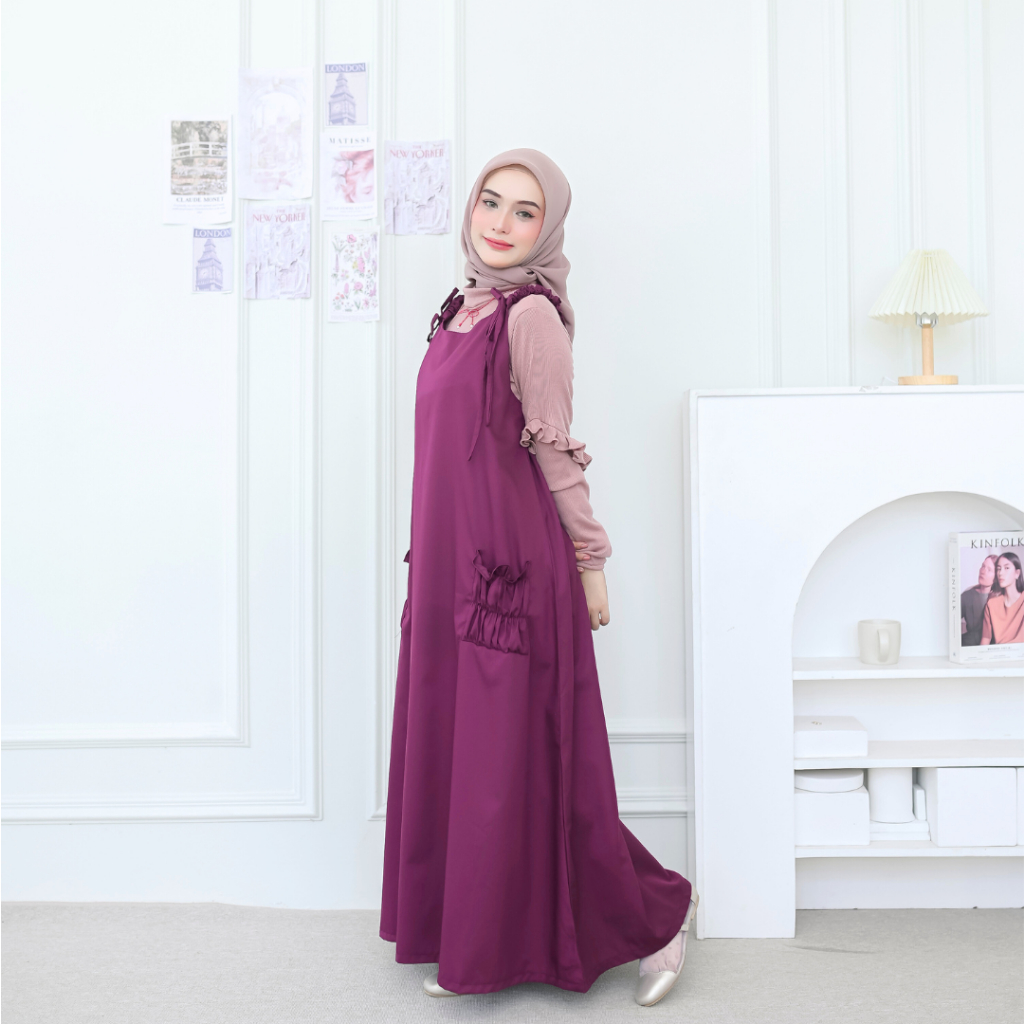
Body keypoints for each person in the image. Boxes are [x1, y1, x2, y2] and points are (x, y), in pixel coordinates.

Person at [379, 150, 696, 1008]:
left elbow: (556, 455)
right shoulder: (461, 307)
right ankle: (474, 941)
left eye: (525, 212)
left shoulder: (531, 318)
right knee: (468, 760)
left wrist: (591, 562)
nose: (501, 223)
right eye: (491, 202)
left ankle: (658, 918)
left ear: (547, 228)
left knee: (520, 771)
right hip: (449, 570)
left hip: (511, 576)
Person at [980, 551, 1024, 646]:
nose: (1000, 573)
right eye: (998, 569)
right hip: (999, 652)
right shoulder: (991, 604)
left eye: (1006, 568)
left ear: (1017, 573)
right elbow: (986, 638)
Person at [961, 555, 997, 646]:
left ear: (996, 577)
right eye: (983, 566)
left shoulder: (1000, 599)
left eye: (989, 570)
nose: (983, 571)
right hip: (970, 645)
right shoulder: (967, 595)